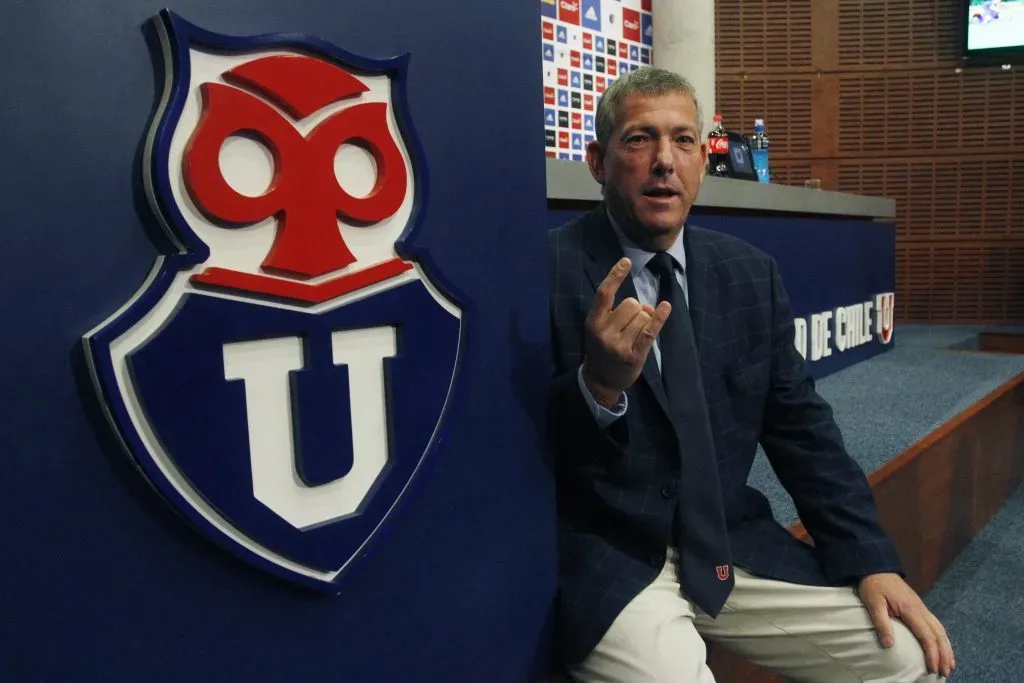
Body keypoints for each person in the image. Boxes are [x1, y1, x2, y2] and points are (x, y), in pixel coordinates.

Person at [546, 66, 954, 682]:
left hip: (728, 546)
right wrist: (598, 388)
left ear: (702, 163)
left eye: (684, 141)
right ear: (598, 162)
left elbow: (803, 432)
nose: (664, 161)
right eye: (639, 139)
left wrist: (871, 560)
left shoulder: (749, 274)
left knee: (906, 658)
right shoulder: (542, 272)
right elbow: (521, 451)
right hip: (614, 557)